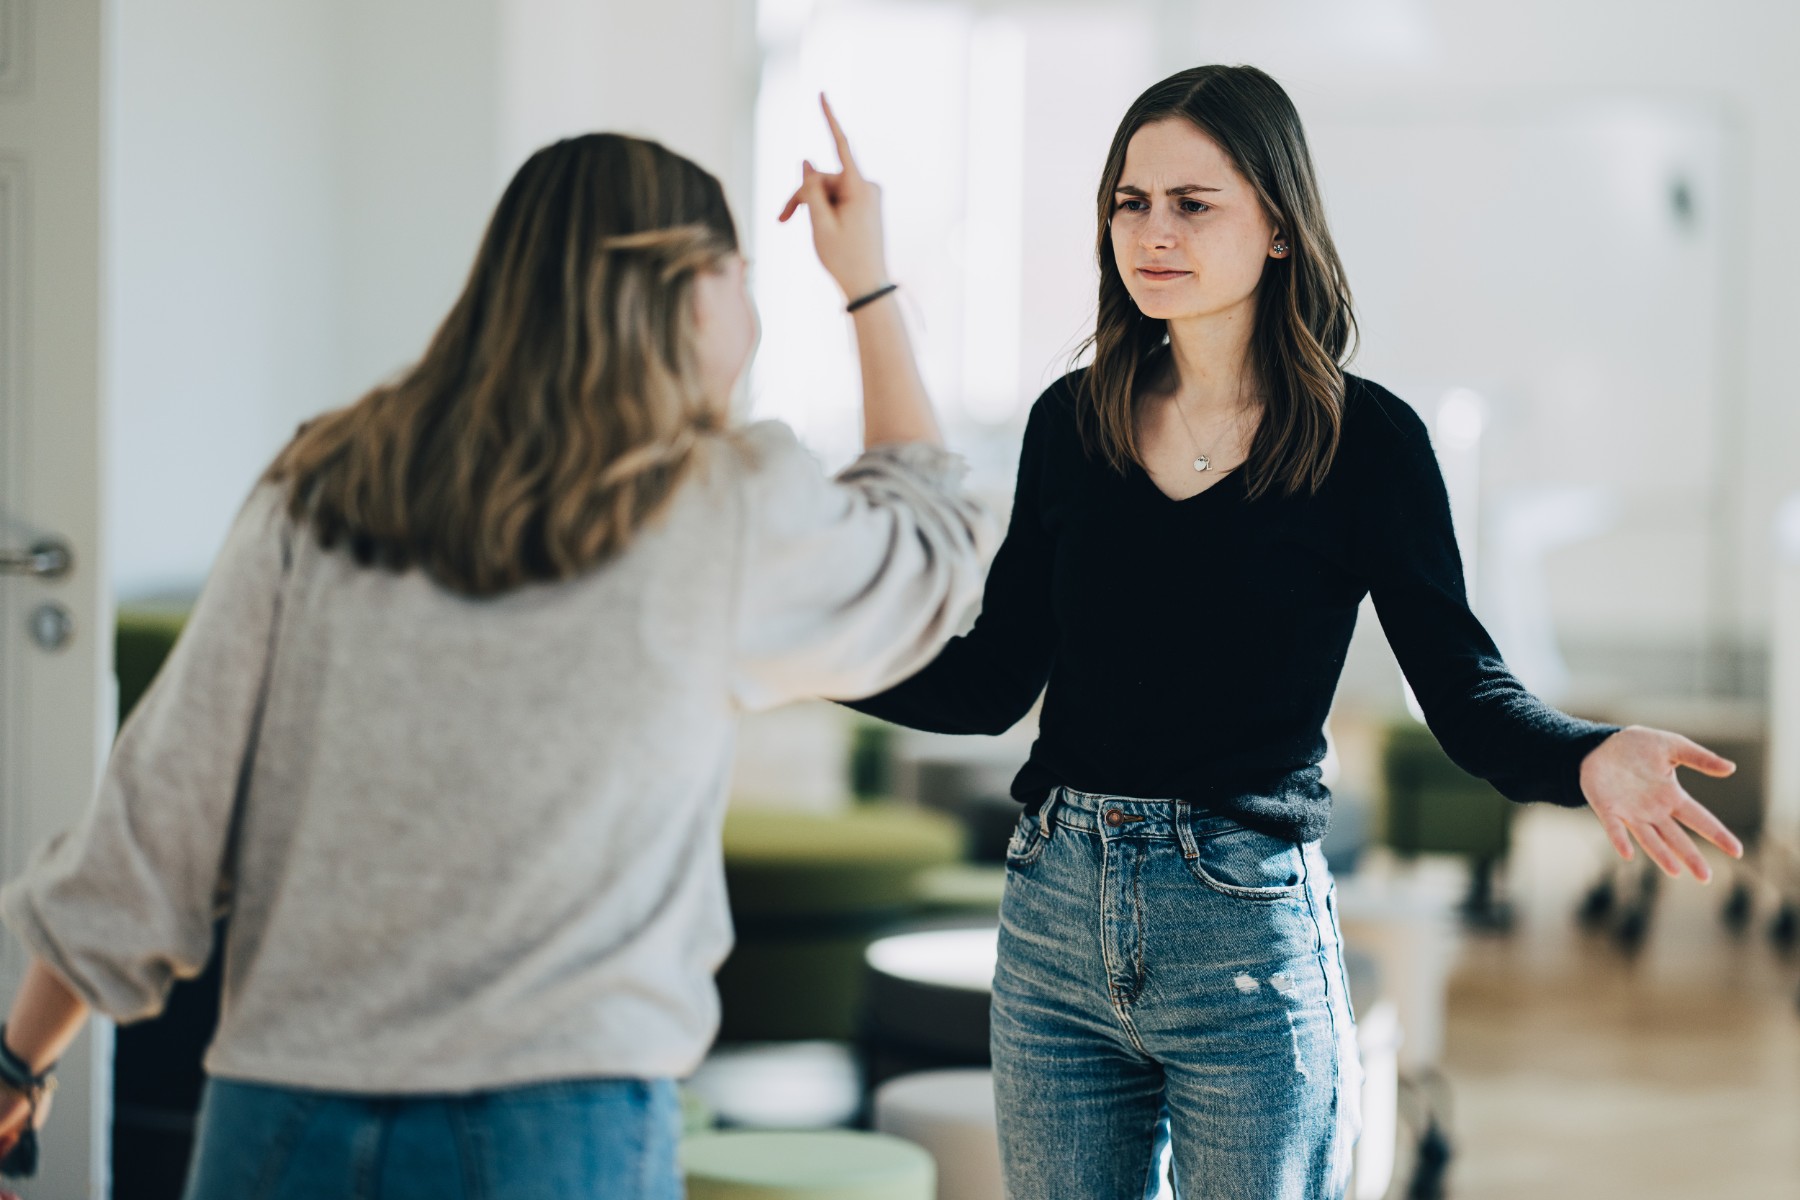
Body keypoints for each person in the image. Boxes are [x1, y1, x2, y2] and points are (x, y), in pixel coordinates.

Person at [0, 100, 993, 1199]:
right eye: (742, 277)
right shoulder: (717, 506)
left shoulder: (322, 486)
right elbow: (933, 547)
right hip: (552, 1125)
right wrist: (867, 285)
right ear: (684, 285)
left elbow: (158, 815)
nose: (749, 315)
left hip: (281, 1111)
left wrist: (17, 1060)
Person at [842, 64, 1744, 1199]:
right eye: (1131, 202)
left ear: (1278, 224)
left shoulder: (1366, 444)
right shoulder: (1073, 424)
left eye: (1192, 202)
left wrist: (1585, 751)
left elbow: (1465, 693)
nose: (1152, 231)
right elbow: (990, 681)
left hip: (1245, 943)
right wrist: (802, 658)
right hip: (1053, 919)